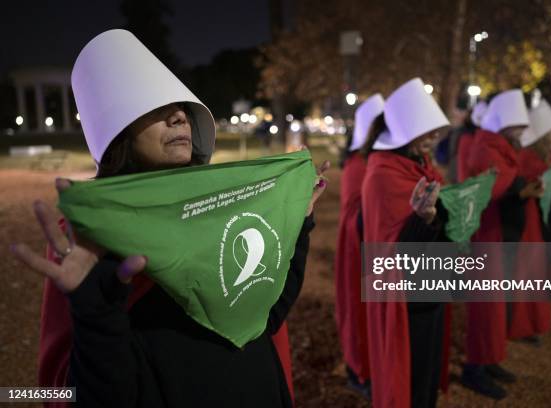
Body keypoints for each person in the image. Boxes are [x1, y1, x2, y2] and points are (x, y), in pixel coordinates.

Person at [9, 29, 328, 408]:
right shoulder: (87, 241)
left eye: (181, 107)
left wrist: (299, 226)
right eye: (154, 108)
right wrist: (95, 314)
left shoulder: (219, 206)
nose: (178, 115)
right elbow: (83, 395)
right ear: (118, 134)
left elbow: (266, 315)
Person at [361, 78, 450, 408]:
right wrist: (424, 219)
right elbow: (391, 245)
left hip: (430, 283)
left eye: (435, 130)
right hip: (407, 293)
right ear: (407, 133)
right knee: (411, 372)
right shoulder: (384, 173)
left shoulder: (419, 166)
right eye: (426, 130)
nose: (433, 137)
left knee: (426, 371)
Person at [460, 89, 543, 400]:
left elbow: (507, 179)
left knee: (496, 306)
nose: (523, 130)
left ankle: (489, 360)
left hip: (501, 234)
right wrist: (521, 188)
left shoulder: (497, 144)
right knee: (485, 308)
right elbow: (495, 184)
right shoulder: (486, 147)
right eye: (519, 124)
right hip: (488, 236)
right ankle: (474, 368)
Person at [334, 93, 384, 398]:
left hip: (374, 248)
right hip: (357, 250)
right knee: (357, 312)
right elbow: (354, 212)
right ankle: (358, 371)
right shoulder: (357, 164)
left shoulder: (375, 160)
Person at [508, 99, 551, 342]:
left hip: (532, 217)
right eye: (550, 132)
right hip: (527, 218)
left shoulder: (534, 155)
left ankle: (529, 322)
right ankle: (523, 324)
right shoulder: (528, 156)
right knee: (527, 272)